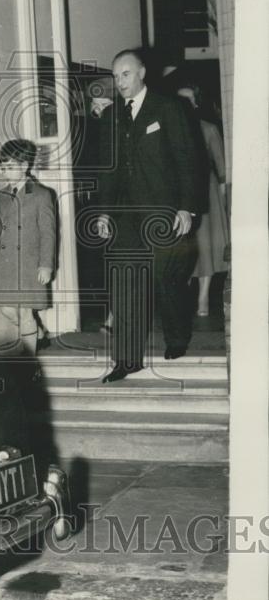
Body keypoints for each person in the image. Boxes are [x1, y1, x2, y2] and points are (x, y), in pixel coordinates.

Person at [96, 50, 200, 383]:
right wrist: (104, 212)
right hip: (125, 216)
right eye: (115, 76)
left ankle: (177, 337)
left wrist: (186, 206)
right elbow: (108, 170)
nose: (119, 82)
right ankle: (128, 359)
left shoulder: (168, 108)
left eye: (125, 74)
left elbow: (187, 161)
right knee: (125, 284)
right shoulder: (111, 116)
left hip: (163, 211)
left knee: (164, 279)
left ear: (141, 72)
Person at [0, 139, 56, 355]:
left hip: (29, 264)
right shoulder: (0, 196)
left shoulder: (41, 194)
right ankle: (38, 333)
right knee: (7, 310)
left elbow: (48, 233)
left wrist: (46, 265)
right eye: (3, 167)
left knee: (25, 313)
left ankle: (29, 363)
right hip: (5, 264)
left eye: (10, 166)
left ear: (24, 166)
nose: (6, 171)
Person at [176, 82, 229, 316]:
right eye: (180, 100)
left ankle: (203, 297)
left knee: (206, 247)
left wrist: (225, 203)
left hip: (205, 196)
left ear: (196, 103)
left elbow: (222, 170)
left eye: (189, 99)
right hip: (176, 196)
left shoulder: (208, 129)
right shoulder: (170, 129)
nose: (185, 105)